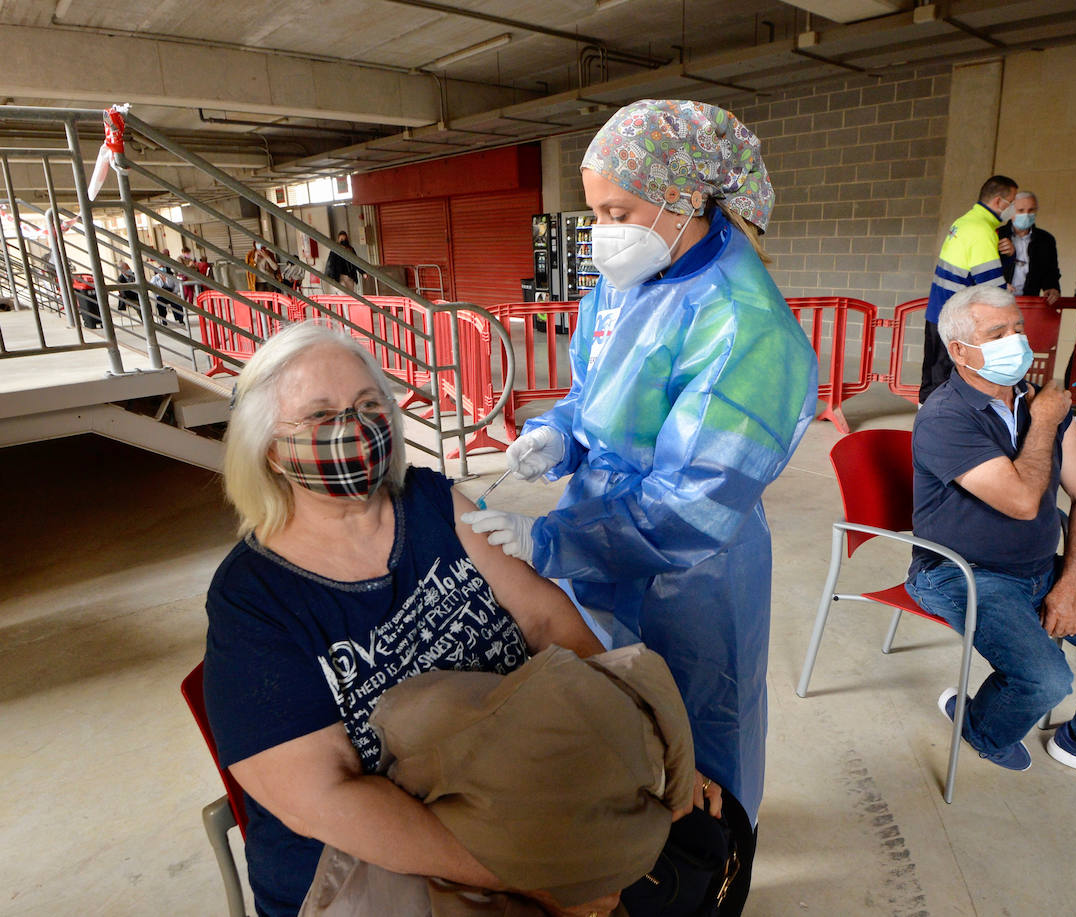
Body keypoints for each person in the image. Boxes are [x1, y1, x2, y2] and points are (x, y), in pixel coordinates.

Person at [461, 99, 818, 916]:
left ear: (686, 199)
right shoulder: (627, 281)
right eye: (594, 214)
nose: (601, 234)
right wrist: (558, 435)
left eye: (616, 212)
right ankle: (645, 856)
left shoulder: (745, 324)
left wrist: (544, 538)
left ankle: (721, 874)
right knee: (623, 721)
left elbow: (691, 509)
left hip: (698, 573)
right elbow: (594, 394)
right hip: (600, 534)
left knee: (704, 729)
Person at [202, 322, 617, 917]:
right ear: (268, 447)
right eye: (320, 416)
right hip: (374, 865)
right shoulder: (254, 600)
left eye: (368, 405)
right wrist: (523, 875)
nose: (353, 428)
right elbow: (323, 798)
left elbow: (546, 619)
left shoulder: (429, 500)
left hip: (511, 787)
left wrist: (636, 728)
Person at [904, 284, 1076, 801]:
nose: (1016, 342)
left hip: (1040, 568)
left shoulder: (1037, 401)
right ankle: (978, 725)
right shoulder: (945, 416)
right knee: (1046, 681)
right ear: (960, 351)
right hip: (959, 571)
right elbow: (1026, 502)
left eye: (1017, 329)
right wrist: (1047, 422)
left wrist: (1071, 581)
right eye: (996, 333)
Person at [921, 174, 1018, 402]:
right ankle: (939, 427)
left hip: (938, 312)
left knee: (933, 378)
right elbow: (993, 291)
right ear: (998, 201)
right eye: (1012, 202)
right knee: (948, 382)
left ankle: (926, 420)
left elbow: (968, 272)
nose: (1013, 208)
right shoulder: (982, 231)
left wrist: (1006, 257)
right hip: (957, 321)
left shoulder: (964, 222)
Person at [996, 190, 1060, 304]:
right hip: (997, 300)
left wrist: (1052, 288)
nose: (1026, 214)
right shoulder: (997, 235)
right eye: (1020, 210)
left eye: (1031, 210)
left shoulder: (1046, 239)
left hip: (1029, 302)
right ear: (1011, 212)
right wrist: (998, 285)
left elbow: (1050, 272)